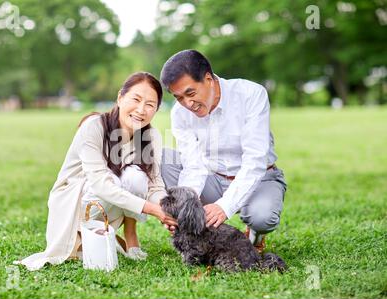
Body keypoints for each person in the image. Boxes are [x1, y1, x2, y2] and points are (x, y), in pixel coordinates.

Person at [16, 72, 177, 271]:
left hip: (109, 200)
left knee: (135, 176)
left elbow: (155, 184)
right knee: (113, 180)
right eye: (136, 99)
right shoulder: (93, 126)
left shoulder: (151, 136)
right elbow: (101, 185)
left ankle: (127, 234)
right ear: (120, 97)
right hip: (78, 198)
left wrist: (167, 211)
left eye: (150, 104)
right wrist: (153, 210)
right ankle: (81, 235)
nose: (141, 109)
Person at [160, 50, 287, 253]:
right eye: (179, 98)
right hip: (214, 178)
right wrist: (183, 210)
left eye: (190, 93)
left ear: (208, 79)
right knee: (162, 157)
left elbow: (255, 161)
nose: (187, 104)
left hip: (260, 178)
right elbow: (194, 165)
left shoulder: (251, 94)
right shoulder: (180, 113)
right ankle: (200, 232)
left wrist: (224, 206)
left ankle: (255, 233)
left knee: (262, 217)